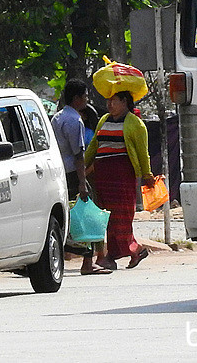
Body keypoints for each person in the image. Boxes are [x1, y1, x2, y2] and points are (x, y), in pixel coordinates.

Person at [85, 90, 155, 270]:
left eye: (114, 101)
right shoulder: (104, 120)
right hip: (103, 175)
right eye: (109, 100)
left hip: (123, 174)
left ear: (125, 102)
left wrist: (147, 175)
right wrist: (80, 167)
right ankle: (112, 256)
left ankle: (135, 250)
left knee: (122, 216)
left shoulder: (135, 123)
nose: (109, 104)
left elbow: (142, 152)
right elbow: (94, 145)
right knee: (107, 216)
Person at [51, 81, 111, 275]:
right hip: (72, 174)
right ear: (77, 98)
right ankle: (87, 261)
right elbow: (78, 154)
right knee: (87, 215)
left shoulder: (57, 118)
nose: (87, 100)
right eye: (85, 96)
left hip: (58, 172)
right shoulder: (75, 120)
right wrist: (83, 182)